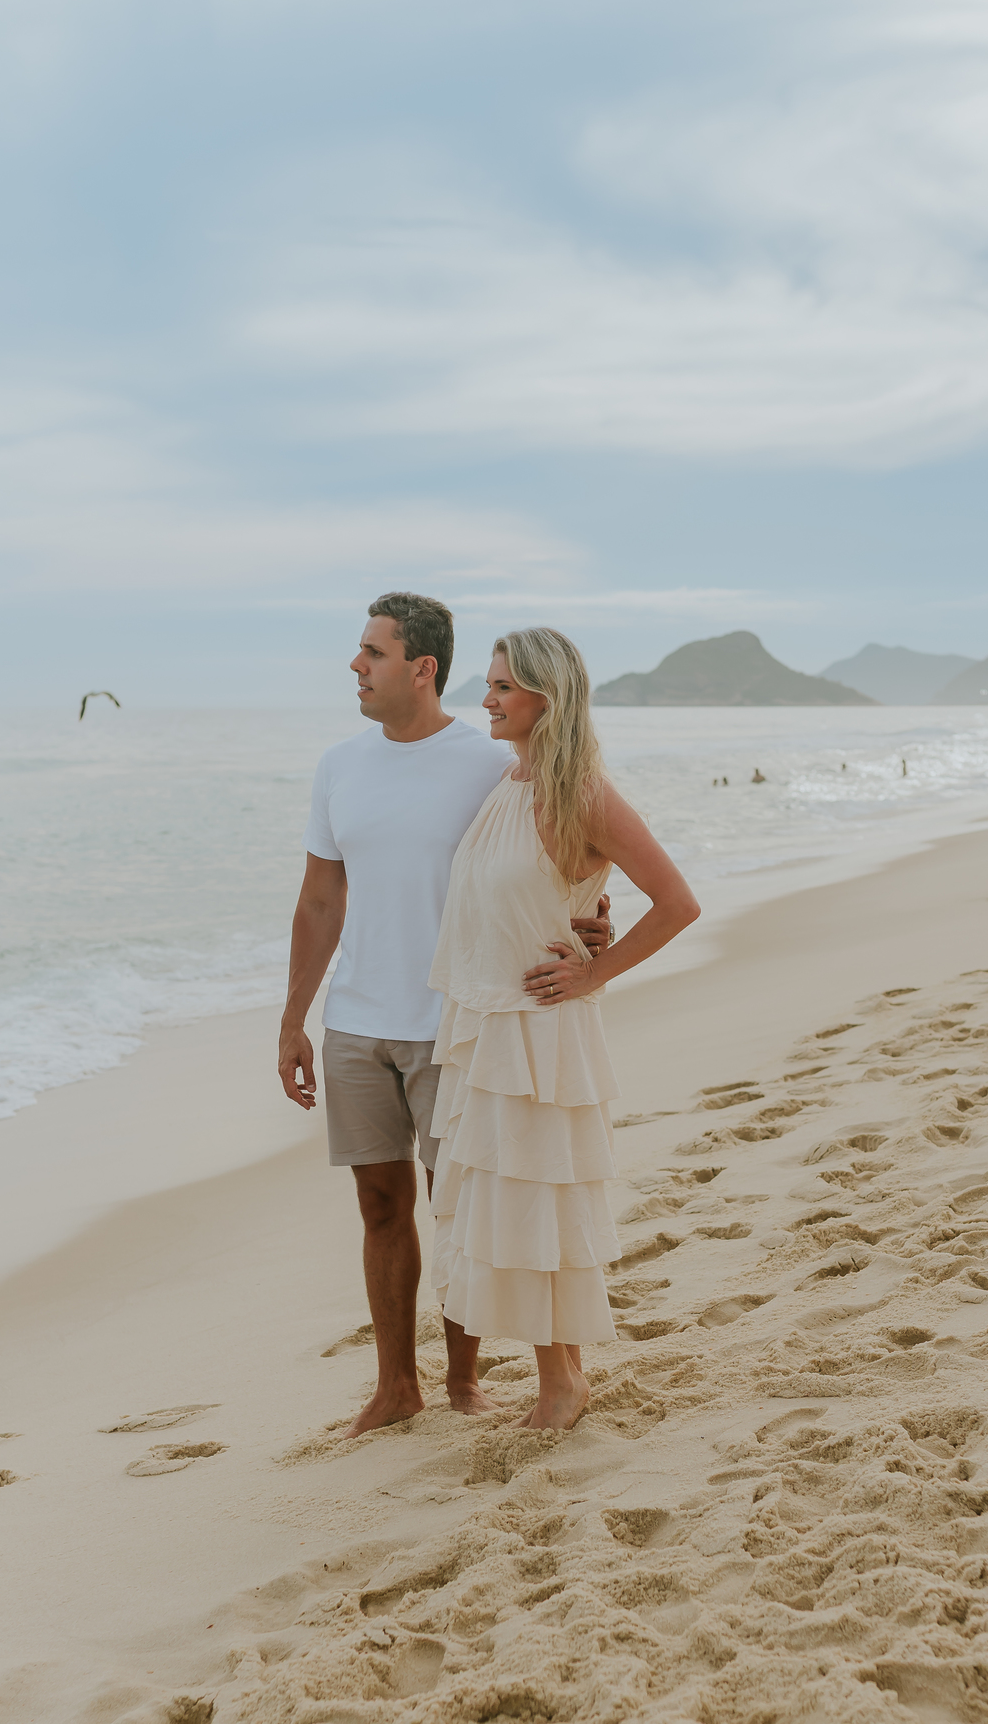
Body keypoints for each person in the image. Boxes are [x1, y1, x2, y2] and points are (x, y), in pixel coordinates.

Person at [278, 593, 611, 1438]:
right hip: (357, 1019)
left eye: (373, 653)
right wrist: (294, 1019)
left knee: (458, 1205)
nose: (356, 666)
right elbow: (321, 899)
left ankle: (464, 1383)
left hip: (456, 1022)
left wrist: (588, 924)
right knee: (380, 1207)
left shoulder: (488, 761)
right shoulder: (338, 767)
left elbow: (556, 849)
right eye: (359, 652)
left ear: (422, 668)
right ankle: (398, 1388)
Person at [427, 627, 700, 1431]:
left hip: (540, 1033)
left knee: (538, 1200)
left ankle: (559, 1386)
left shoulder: (581, 792)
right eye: (488, 683)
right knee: (515, 1199)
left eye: (502, 686)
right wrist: (587, 917)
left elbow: (678, 902)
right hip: (490, 1022)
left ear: (546, 697)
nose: (486, 698)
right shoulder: (511, 785)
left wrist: (595, 969)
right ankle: (566, 1374)